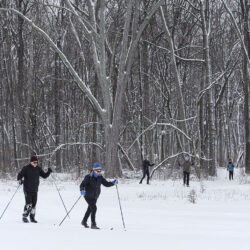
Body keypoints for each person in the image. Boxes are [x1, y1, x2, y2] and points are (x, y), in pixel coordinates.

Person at [79, 162, 118, 229]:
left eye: (100, 170)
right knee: (94, 208)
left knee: (90, 209)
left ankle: (84, 221)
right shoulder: (88, 177)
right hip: (87, 195)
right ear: (94, 170)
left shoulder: (100, 177)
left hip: (95, 196)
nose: (99, 172)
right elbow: (82, 185)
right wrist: (82, 190)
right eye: (98, 171)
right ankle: (93, 224)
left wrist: (113, 183)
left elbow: (106, 184)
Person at [17, 155, 52, 223]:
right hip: (27, 189)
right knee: (29, 204)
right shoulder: (26, 168)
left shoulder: (38, 169)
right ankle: (24, 216)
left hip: (35, 189)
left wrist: (49, 172)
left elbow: (44, 176)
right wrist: (20, 180)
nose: (35, 163)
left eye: (36, 162)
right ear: (31, 162)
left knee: (33, 205)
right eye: (34, 162)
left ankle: (32, 217)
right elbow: (20, 175)